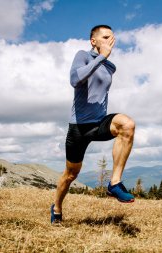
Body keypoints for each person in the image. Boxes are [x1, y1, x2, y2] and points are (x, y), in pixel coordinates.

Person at [51, 25, 136, 224]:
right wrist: (100, 57)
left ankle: (114, 183)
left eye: (112, 38)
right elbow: (75, 80)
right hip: (79, 127)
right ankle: (56, 207)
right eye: (106, 37)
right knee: (71, 174)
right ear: (93, 41)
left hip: (99, 123)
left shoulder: (110, 67)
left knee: (128, 125)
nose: (110, 41)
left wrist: (104, 59)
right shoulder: (83, 56)